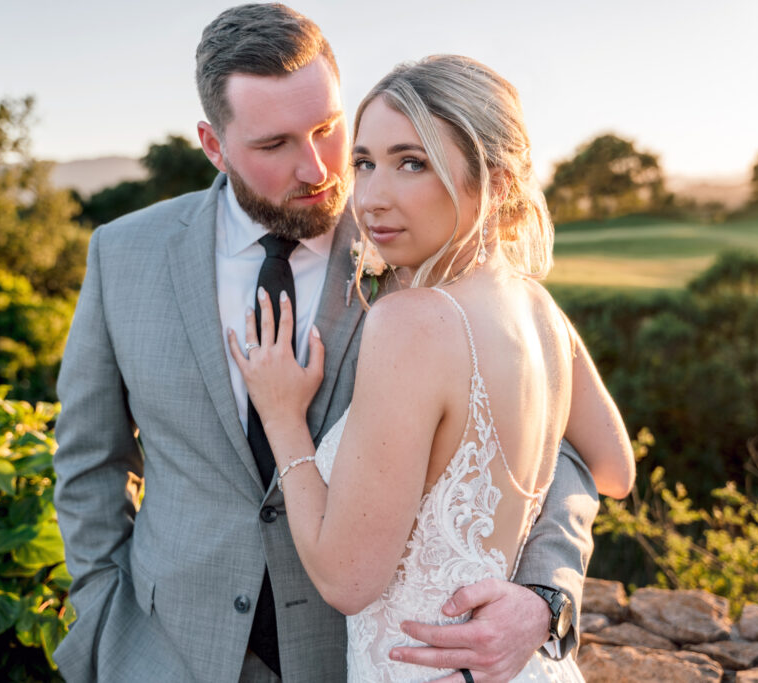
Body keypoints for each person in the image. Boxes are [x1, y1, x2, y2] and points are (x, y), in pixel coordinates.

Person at [52, 5, 605, 682]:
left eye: (327, 129)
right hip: (164, 651)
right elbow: (88, 459)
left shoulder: (427, 242)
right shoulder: (123, 253)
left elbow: (558, 442)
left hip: (355, 658)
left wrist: (546, 597)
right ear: (213, 143)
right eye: (275, 143)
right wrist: (103, 616)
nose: (319, 168)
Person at [228, 54, 634, 682]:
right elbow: (613, 468)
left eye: (412, 163)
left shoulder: (411, 321)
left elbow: (347, 580)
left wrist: (283, 419)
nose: (370, 198)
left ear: (496, 182)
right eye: (363, 163)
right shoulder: (539, 306)